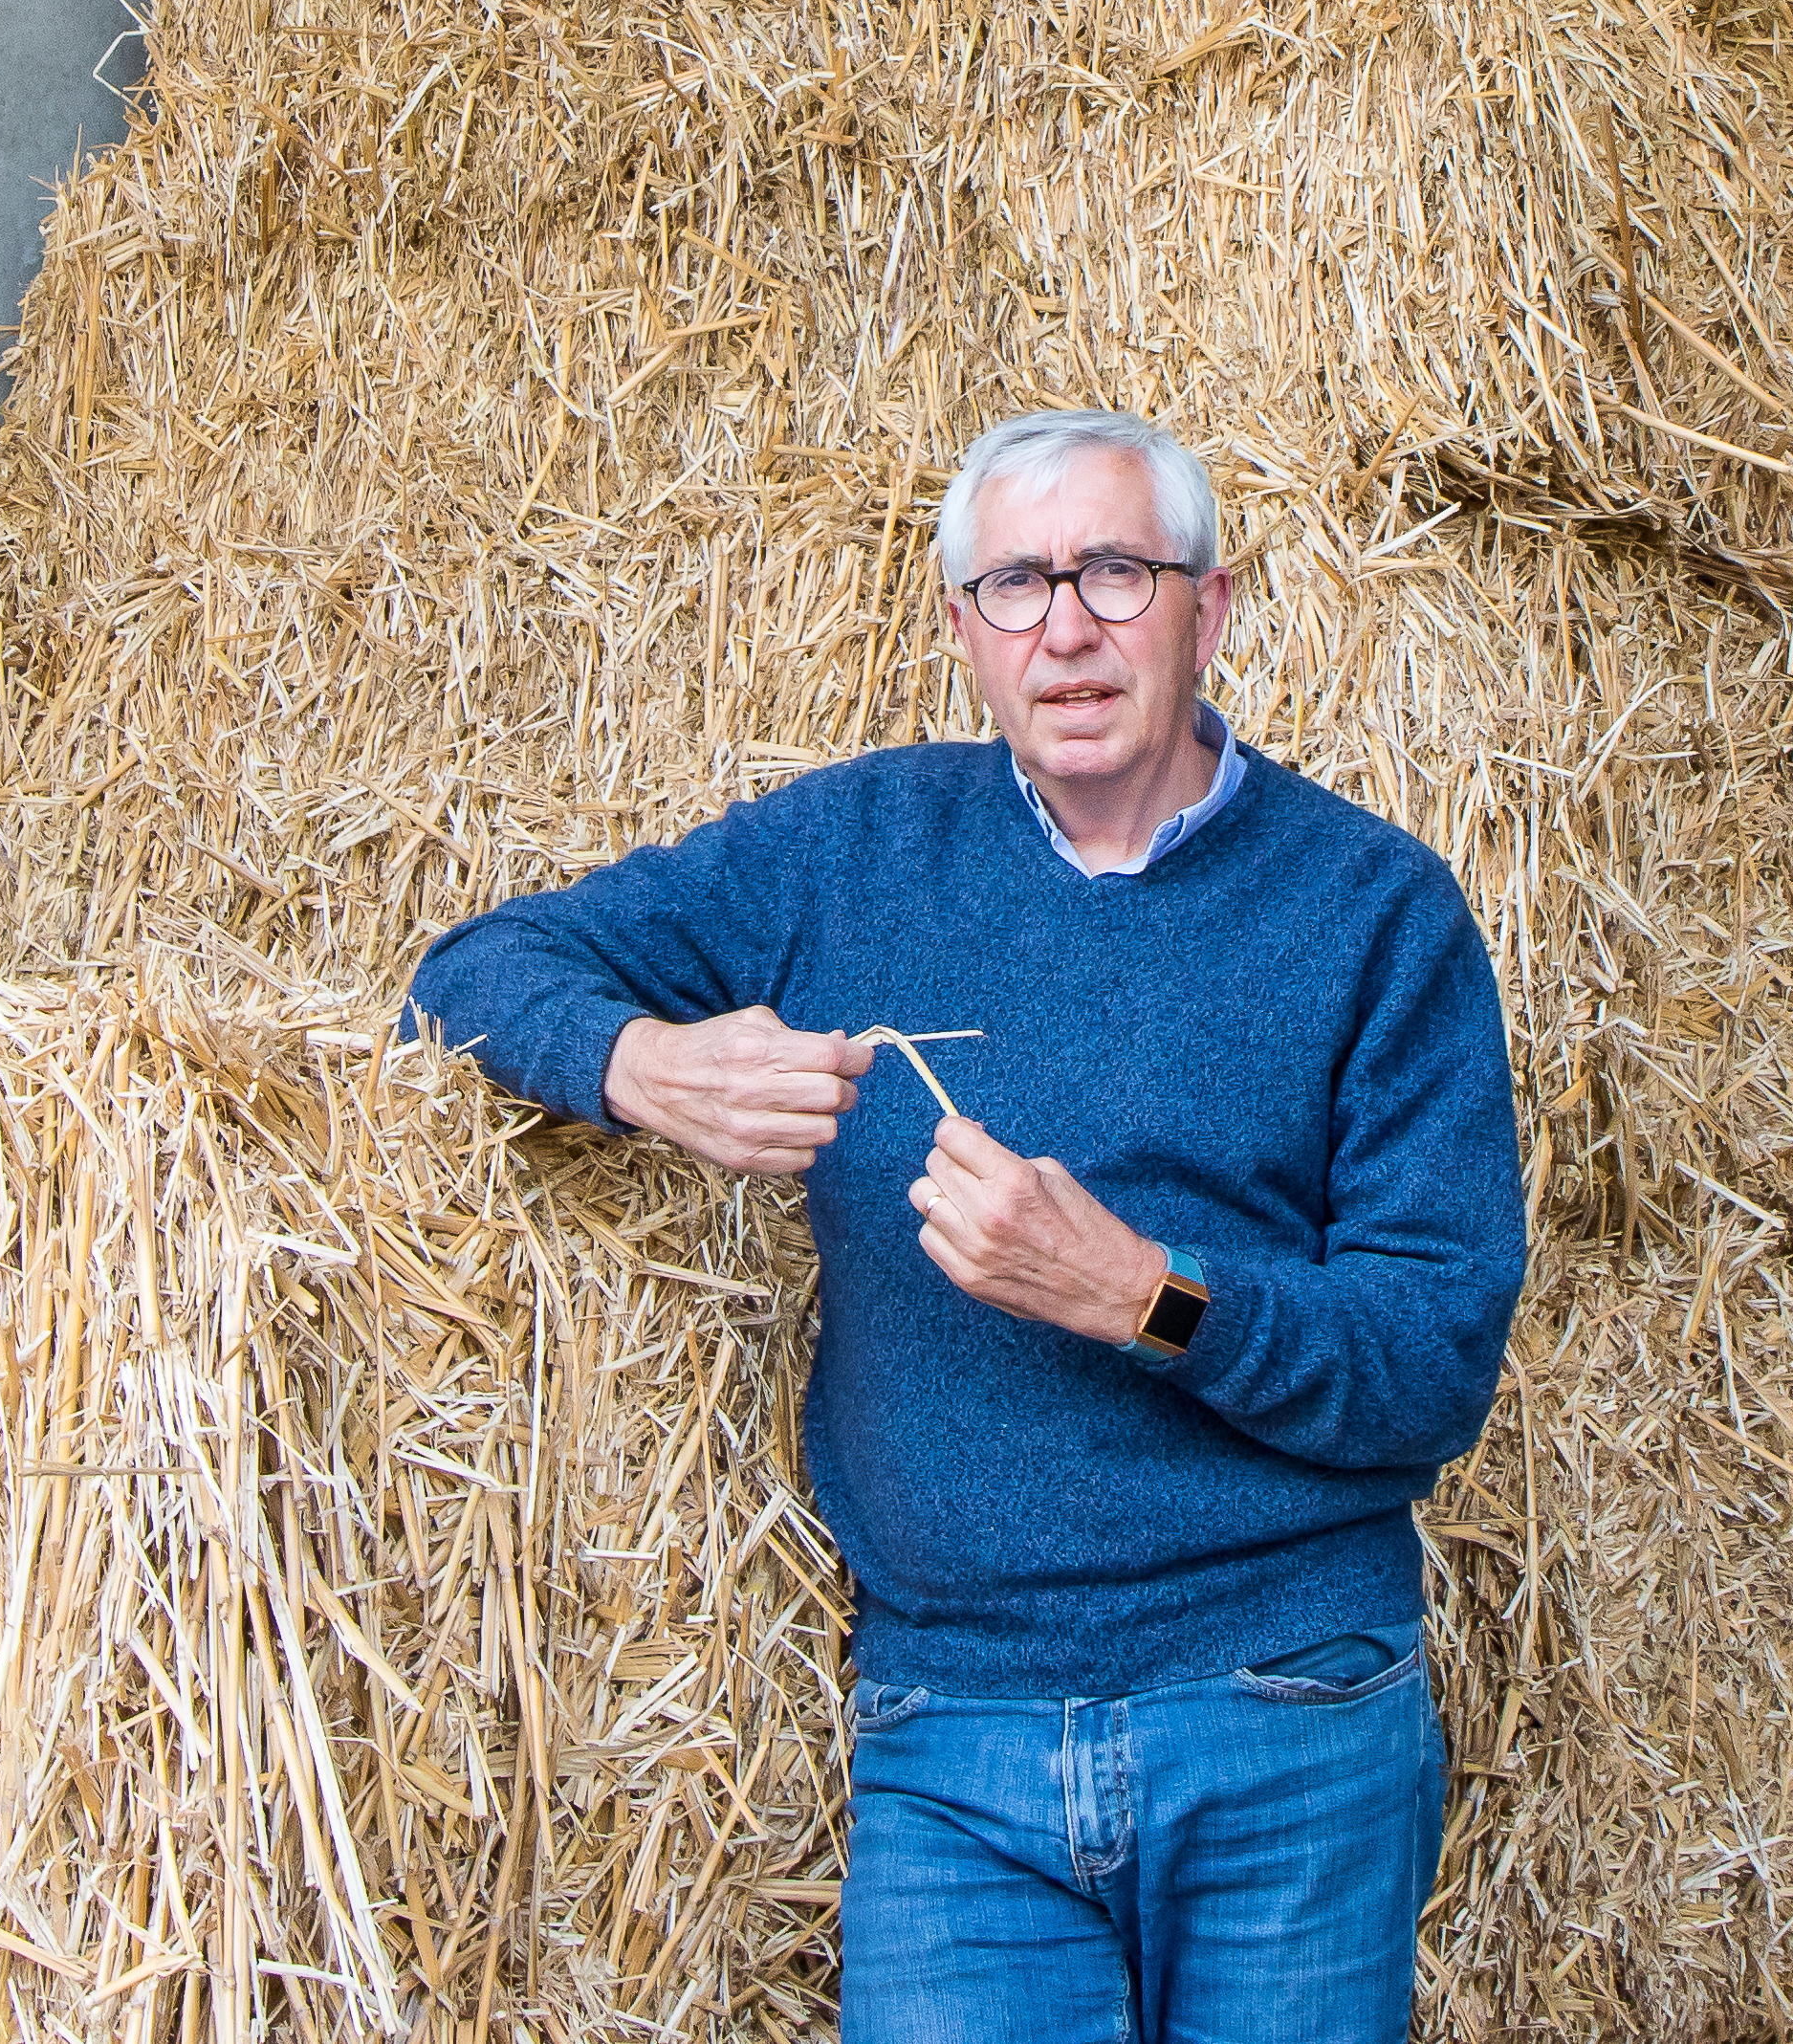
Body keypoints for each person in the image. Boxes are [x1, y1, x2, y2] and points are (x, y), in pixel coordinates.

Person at [410, 407, 1526, 2042]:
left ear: (1209, 610)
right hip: (955, 1733)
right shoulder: (850, 852)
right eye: (1016, 583)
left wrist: (1144, 1293)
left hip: (1287, 1709)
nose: (1066, 623)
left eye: (1115, 573)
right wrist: (647, 1065)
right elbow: (473, 969)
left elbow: (1430, 1363)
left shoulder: (1374, 911)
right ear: (963, 633)